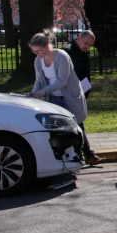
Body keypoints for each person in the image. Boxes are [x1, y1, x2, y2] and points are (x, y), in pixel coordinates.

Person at [27, 30, 88, 183]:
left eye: (39, 51)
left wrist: (42, 91)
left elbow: (62, 81)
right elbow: (39, 81)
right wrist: (34, 93)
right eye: (34, 52)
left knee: (76, 127)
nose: (38, 54)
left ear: (47, 45)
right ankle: (65, 162)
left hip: (69, 97)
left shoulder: (61, 56)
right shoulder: (38, 61)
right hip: (54, 98)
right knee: (59, 132)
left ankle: (81, 156)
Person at [63, 30, 106, 166]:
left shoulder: (84, 52)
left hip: (81, 92)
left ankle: (84, 154)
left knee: (78, 125)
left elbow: (85, 72)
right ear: (79, 38)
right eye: (86, 43)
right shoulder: (67, 52)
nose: (87, 47)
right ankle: (87, 154)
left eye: (90, 45)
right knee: (78, 125)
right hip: (70, 94)